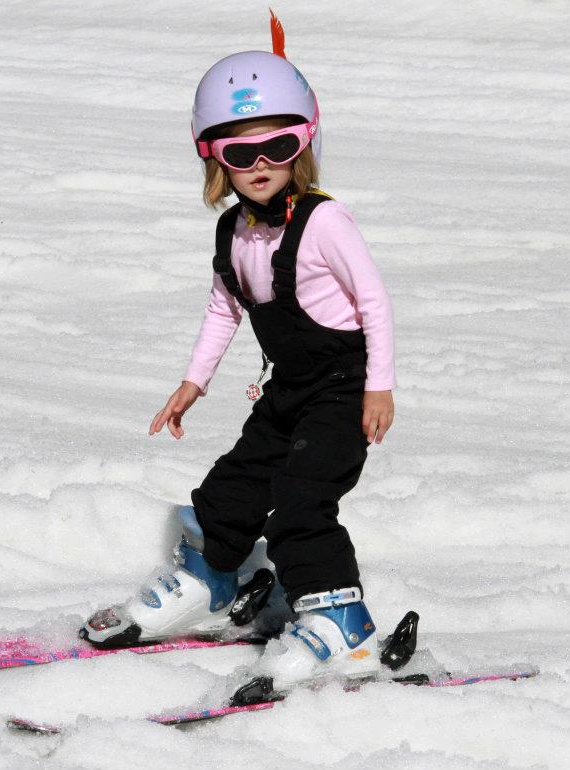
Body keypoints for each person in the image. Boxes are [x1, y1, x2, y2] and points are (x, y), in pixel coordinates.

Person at [83, 42, 395, 691]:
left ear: (302, 143)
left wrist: (380, 387)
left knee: (302, 503)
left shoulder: (325, 222)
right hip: (289, 390)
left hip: (342, 392)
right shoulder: (234, 232)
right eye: (238, 151)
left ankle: (342, 623)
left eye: (276, 147)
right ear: (211, 154)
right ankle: (211, 585)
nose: (259, 165)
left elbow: (374, 302)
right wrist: (193, 382)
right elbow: (225, 308)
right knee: (232, 490)